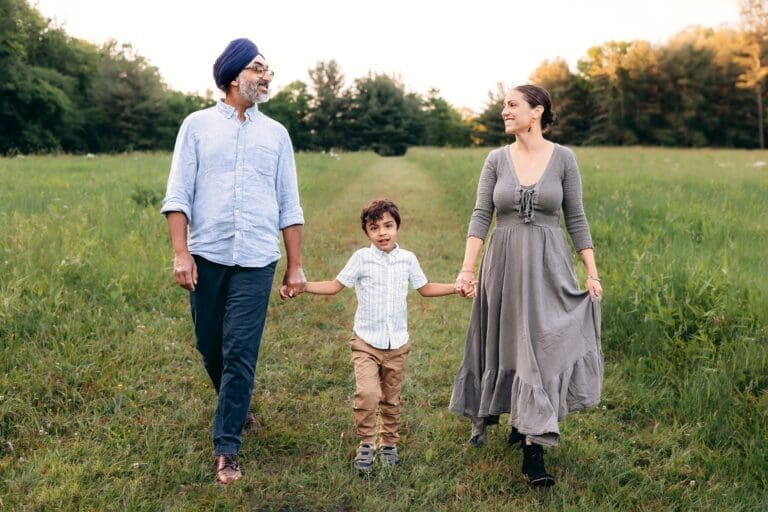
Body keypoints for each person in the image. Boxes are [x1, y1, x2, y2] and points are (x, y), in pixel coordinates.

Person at [160, 37, 305, 485]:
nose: (266, 76)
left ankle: (227, 448)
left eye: (269, 70)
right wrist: (181, 253)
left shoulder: (276, 134)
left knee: (240, 350)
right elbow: (178, 194)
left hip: (258, 257)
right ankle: (236, 405)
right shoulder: (197, 126)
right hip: (208, 254)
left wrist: (294, 265)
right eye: (258, 68)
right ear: (233, 74)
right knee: (210, 345)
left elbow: (289, 203)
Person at [449, 84, 603, 487]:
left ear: (537, 112)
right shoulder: (496, 159)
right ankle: (523, 424)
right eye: (504, 105)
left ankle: (534, 446)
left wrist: (592, 272)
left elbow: (577, 218)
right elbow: (481, 214)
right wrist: (467, 269)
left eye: (512, 104)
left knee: (541, 346)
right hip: (503, 265)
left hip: (549, 268)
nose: (504, 111)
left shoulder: (564, 159)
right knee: (511, 344)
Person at [282, 199, 469, 473]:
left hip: (398, 345)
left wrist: (456, 287)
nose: (382, 233)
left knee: (391, 399)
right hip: (366, 343)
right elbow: (335, 286)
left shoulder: (408, 260)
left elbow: (425, 288)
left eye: (388, 226)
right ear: (366, 232)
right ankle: (367, 443)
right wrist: (302, 286)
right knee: (368, 394)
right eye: (374, 228)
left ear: (397, 227)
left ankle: (389, 443)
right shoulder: (362, 258)